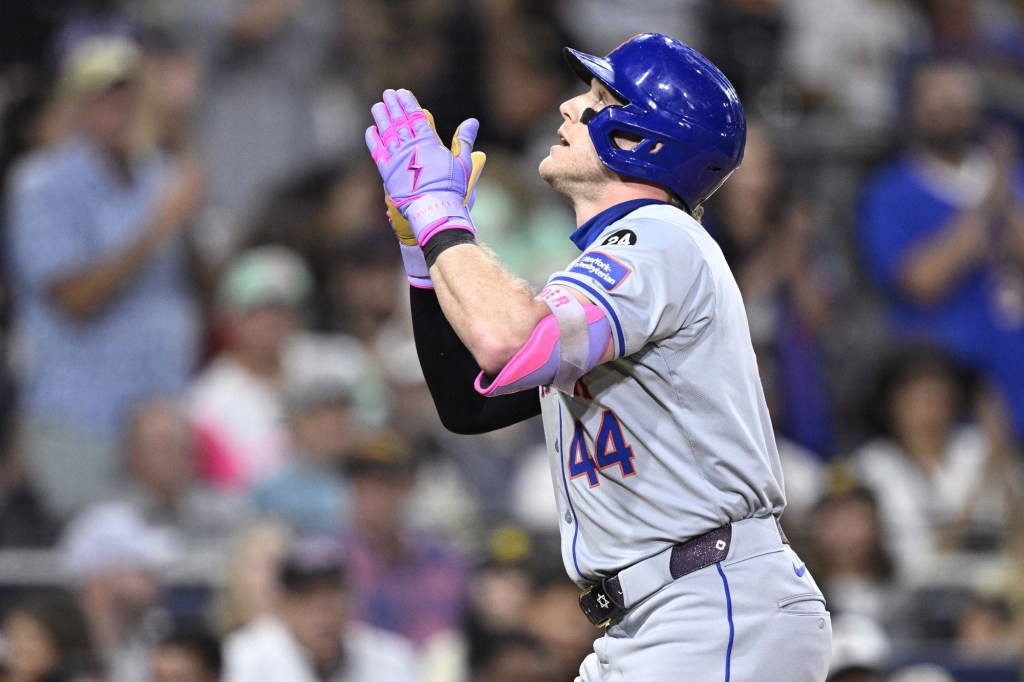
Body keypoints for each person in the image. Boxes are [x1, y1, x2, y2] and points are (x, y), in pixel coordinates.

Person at [364, 32, 832, 680]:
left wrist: (440, 213)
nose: (569, 107)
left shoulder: (658, 238)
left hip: (712, 607)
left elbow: (506, 338)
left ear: (643, 140)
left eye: (599, 98)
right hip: (661, 615)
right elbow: (469, 402)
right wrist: (424, 250)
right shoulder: (636, 260)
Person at [5, 36, 205, 519]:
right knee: (86, 544)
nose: (118, 112)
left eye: (127, 99)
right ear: (75, 106)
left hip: (161, 412)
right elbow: (74, 299)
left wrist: (187, 209)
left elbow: (200, 283)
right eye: (102, 99)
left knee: (167, 549)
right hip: (81, 416)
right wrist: (158, 225)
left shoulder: (161, 173)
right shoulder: (42, 183)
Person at [221, 538, 420, 682]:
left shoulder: (392, 659)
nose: (322, 612)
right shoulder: (243, 657)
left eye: (332, 595)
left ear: (352, 600)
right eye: (306, 597)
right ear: (283, 607)